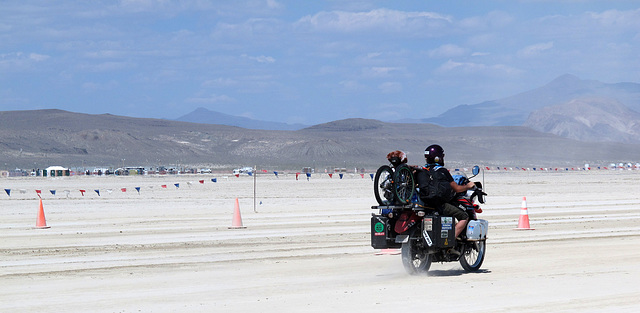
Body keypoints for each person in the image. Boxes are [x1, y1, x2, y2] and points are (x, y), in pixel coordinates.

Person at [422, 144, 476, 241]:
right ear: (438, 158)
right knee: (464, 216)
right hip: (440, 204)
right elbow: (457, 189)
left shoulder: (423, 171)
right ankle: (450, 240)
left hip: (425, 203)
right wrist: (468, 186)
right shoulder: (442, 171)